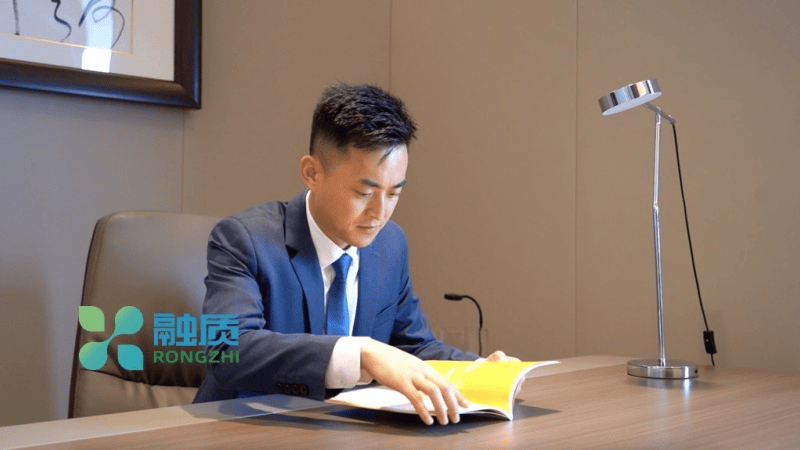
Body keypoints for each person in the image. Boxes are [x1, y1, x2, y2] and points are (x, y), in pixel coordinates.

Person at [193, 83, 517, 425]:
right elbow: (227, 350)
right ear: (312, 173)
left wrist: (478, 370)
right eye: (364, 193)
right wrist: (362, 353)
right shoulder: (243, 239)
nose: (380, 213)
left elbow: (414, 347)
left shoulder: (390, 244)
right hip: (245, 428)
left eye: (394, 193)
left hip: (345, 430)